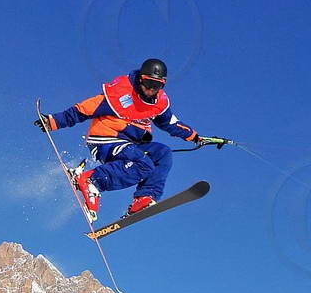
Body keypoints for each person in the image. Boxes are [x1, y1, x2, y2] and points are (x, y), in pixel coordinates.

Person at [35, 58, 202, 221]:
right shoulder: (120, 92)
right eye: (148, 83)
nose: (151, 89)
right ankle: (91, 180)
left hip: (131, 144)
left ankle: (144, 198)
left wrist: (195, 136)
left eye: (157, 85)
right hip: (105, 139)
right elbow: (84, 109)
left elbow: (171, 123)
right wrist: (53, 121)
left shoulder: (159, 103)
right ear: (141, 79)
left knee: (162, 154)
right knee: (143, 163)